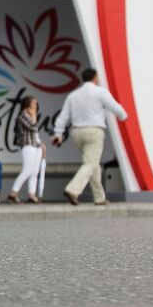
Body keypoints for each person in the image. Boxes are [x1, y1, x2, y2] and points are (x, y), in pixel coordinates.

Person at [53, 68, 129, 206]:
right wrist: (124, 116)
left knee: (93, 164)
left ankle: (100, 198)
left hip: (77, 132)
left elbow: (63, 116)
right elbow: (115, 107)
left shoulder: (73, 95)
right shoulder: (100, 92)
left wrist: (58, 134)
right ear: (95, 78)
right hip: (94, 131)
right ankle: (73, 190)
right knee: (91, 164)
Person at [7, 95, 47, 204]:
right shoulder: (23, 116)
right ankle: (13, 193)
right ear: (27, 106)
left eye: (35, 104)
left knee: (34, 172)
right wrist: (34, 116)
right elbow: (33, 127)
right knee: (27, 170)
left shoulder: (32, 116)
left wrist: (41, 144)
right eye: (33, 104)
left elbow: (35, 133)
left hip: (36, 146)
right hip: (28, 146)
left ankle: (31, 194)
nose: (35, 107)